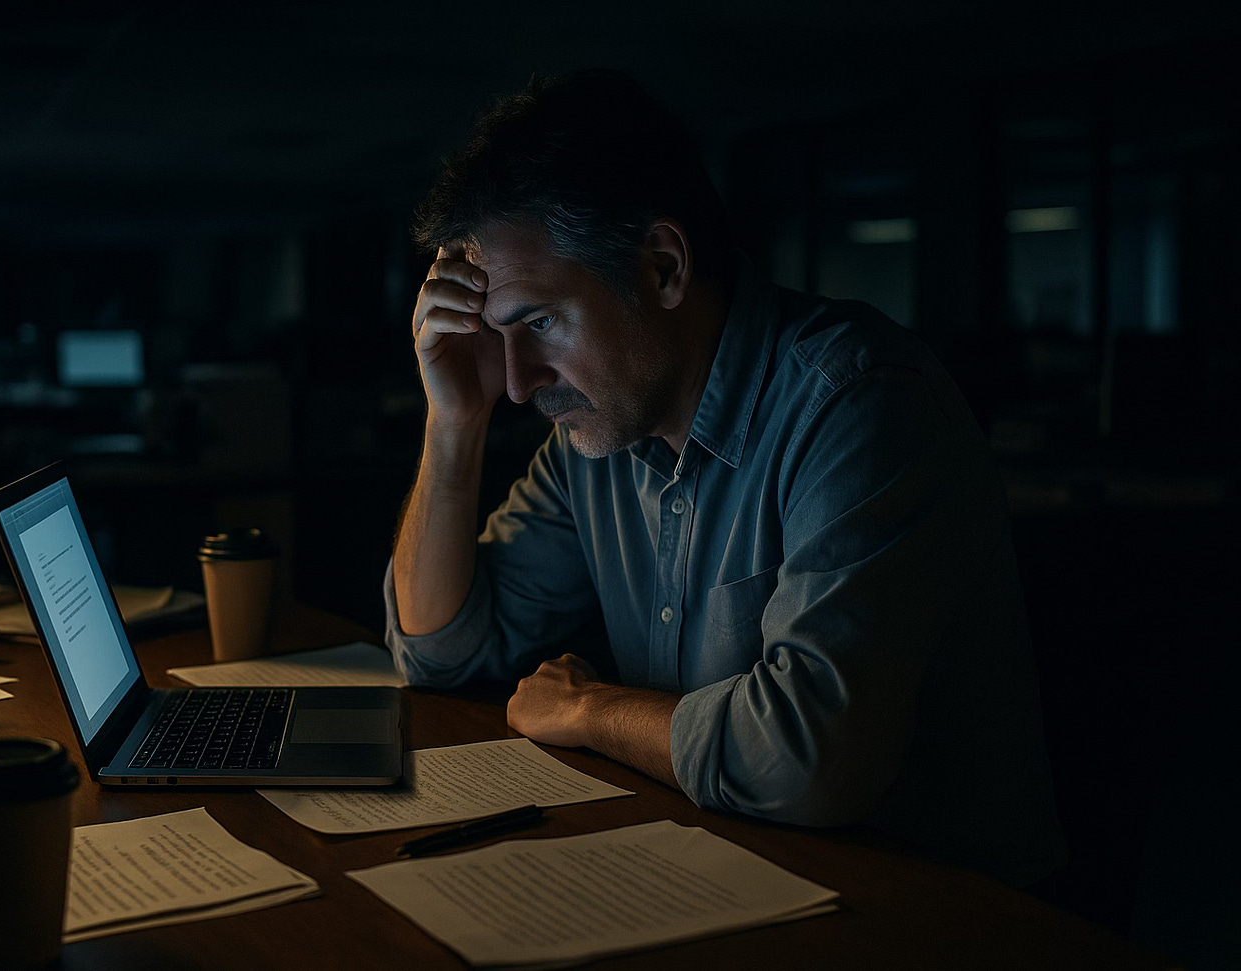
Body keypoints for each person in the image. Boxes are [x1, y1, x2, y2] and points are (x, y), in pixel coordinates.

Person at [385, 70, 1064, 886]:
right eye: (501, 335)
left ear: (663, 268)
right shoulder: (596, 439)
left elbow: (807, 758)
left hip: (932, 909)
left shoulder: (859, 403)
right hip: (726, 871)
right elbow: (440, 651)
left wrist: (590, 709)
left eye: (541, 321)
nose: (521, 383)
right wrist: (453, 421)